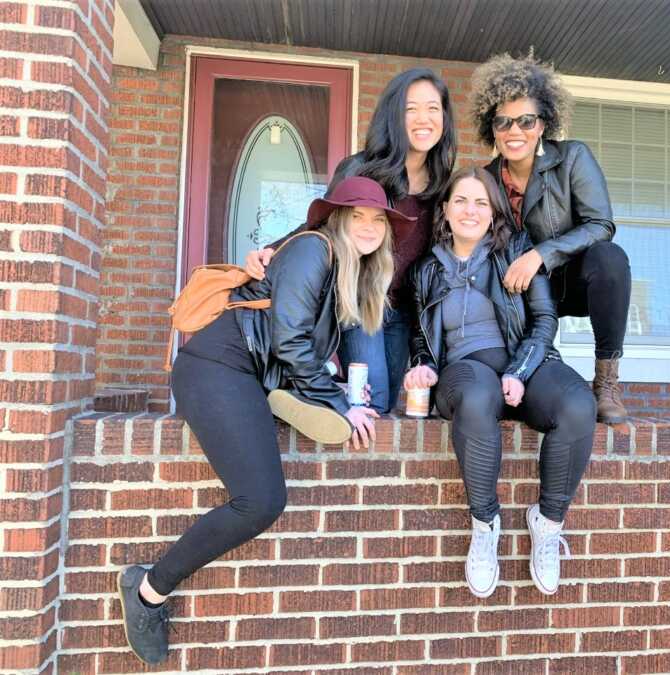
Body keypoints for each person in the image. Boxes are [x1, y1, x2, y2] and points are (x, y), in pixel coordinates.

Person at [117, 177, 412, 665]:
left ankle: (285, 397)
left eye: (377, 220)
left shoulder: (346, 272)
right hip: (215, 367)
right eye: (356, 216)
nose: (367, 227)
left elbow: (293, 340)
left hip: (248, 375)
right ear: (337, 219)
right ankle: (148, 589)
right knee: (261, 500)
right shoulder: (313, 250)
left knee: (268, 486)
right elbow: (291, 341)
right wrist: (340, 406)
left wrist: (331, 389)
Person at [404, 167, 597, 598]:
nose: (470, 210)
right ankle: (485, 524)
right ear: (446, 210)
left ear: (493, 212)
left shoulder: (517, 252)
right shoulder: (425, 270)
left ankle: (547, 523)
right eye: (461, 201)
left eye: (480, 202)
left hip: (524, 361)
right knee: (477, 395)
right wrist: (423, 363)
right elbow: (420, 332)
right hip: (466, 370)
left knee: (579, 404)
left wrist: (519, 370)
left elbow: (545, 320)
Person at [245, 68, 456, 414]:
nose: (423, 118)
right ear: (393, 115)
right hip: (359, 300)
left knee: (384, 405)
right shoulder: (362, 168)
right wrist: (272, 250)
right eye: (410, 108)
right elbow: (319, 223)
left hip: (403, 309)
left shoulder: (442, 183)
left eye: (433, 108)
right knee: (370, 399)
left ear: (445, 118)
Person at [470, 53, 633, 423]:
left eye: (526, 120)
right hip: (518, 294)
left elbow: (600, 224)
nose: (515, 131)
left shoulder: (573, 157)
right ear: (491, 128)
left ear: (543, 123)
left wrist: (541, 254)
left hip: (571, 281)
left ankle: (607, 382)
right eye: (503, 121)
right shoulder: (485, 180)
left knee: (610, 258)